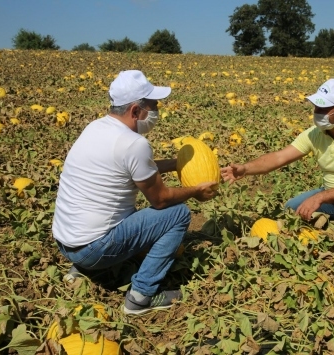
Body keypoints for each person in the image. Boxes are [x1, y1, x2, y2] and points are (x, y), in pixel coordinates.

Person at [52, 70, 218, 315]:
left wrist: (178, 163)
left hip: (66, 243)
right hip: (91, 249)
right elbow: (160, 200)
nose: (157, 111)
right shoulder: (133, 144)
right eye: (153, 106)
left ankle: (86, 268)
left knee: (130, 217)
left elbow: (134, 168)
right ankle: (141, 296)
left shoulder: (96, 128)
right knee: (178, 213)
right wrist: (194, 190)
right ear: (135, 111)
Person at [221, 78, 334, 237]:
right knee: (292, 209)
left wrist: (319, 197)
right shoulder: (314, 134)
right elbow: (279, 157)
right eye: (317, 107)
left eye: (324, 108)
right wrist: (245, 169)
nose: (317, 112)